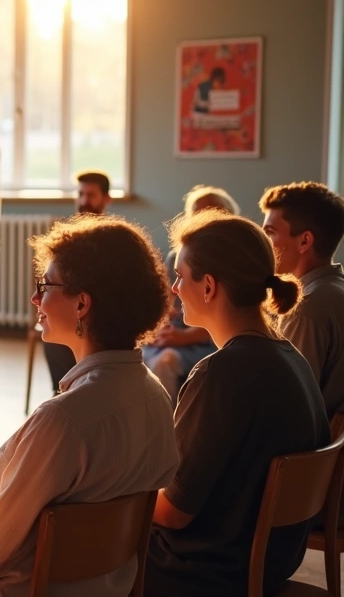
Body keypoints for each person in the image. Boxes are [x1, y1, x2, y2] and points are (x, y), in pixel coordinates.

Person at [0, 215, 177, 597]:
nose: (35, 298)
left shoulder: (64, 419)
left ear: (82, 303)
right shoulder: (156, 395)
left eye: (46, 286)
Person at [147, 211, 329, 596]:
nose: (175, 288)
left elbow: (173, 513)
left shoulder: (221, 373)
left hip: (205, 571)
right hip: (270, 561)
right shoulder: (290, 357)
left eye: (180, 276)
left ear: (209, 286)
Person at [142, 186, 236, 401]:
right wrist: (160, 327)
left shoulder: (231, 259)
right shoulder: (177, 255)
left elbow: (228, 314)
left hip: (208, 340)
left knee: (165, 362)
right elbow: (167, 299)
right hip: (177, 333)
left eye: (211, 214)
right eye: (197, 214)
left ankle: (169, 427)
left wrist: (184, 337)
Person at [261, 182, 344, 416]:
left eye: (270, 233)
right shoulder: (334, 289)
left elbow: (289, 405)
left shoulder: (307, 306)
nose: (264, 242)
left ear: (305, 241)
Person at [42, 171, 113, 392]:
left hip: (105, 315)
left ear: (106, 199)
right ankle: (63, 394)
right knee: (53, 333)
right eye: (80, 194)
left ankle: (88, 393)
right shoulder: (68, 241)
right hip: (71, 311)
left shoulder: (116, 240)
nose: (83, 201)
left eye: (91, 195)